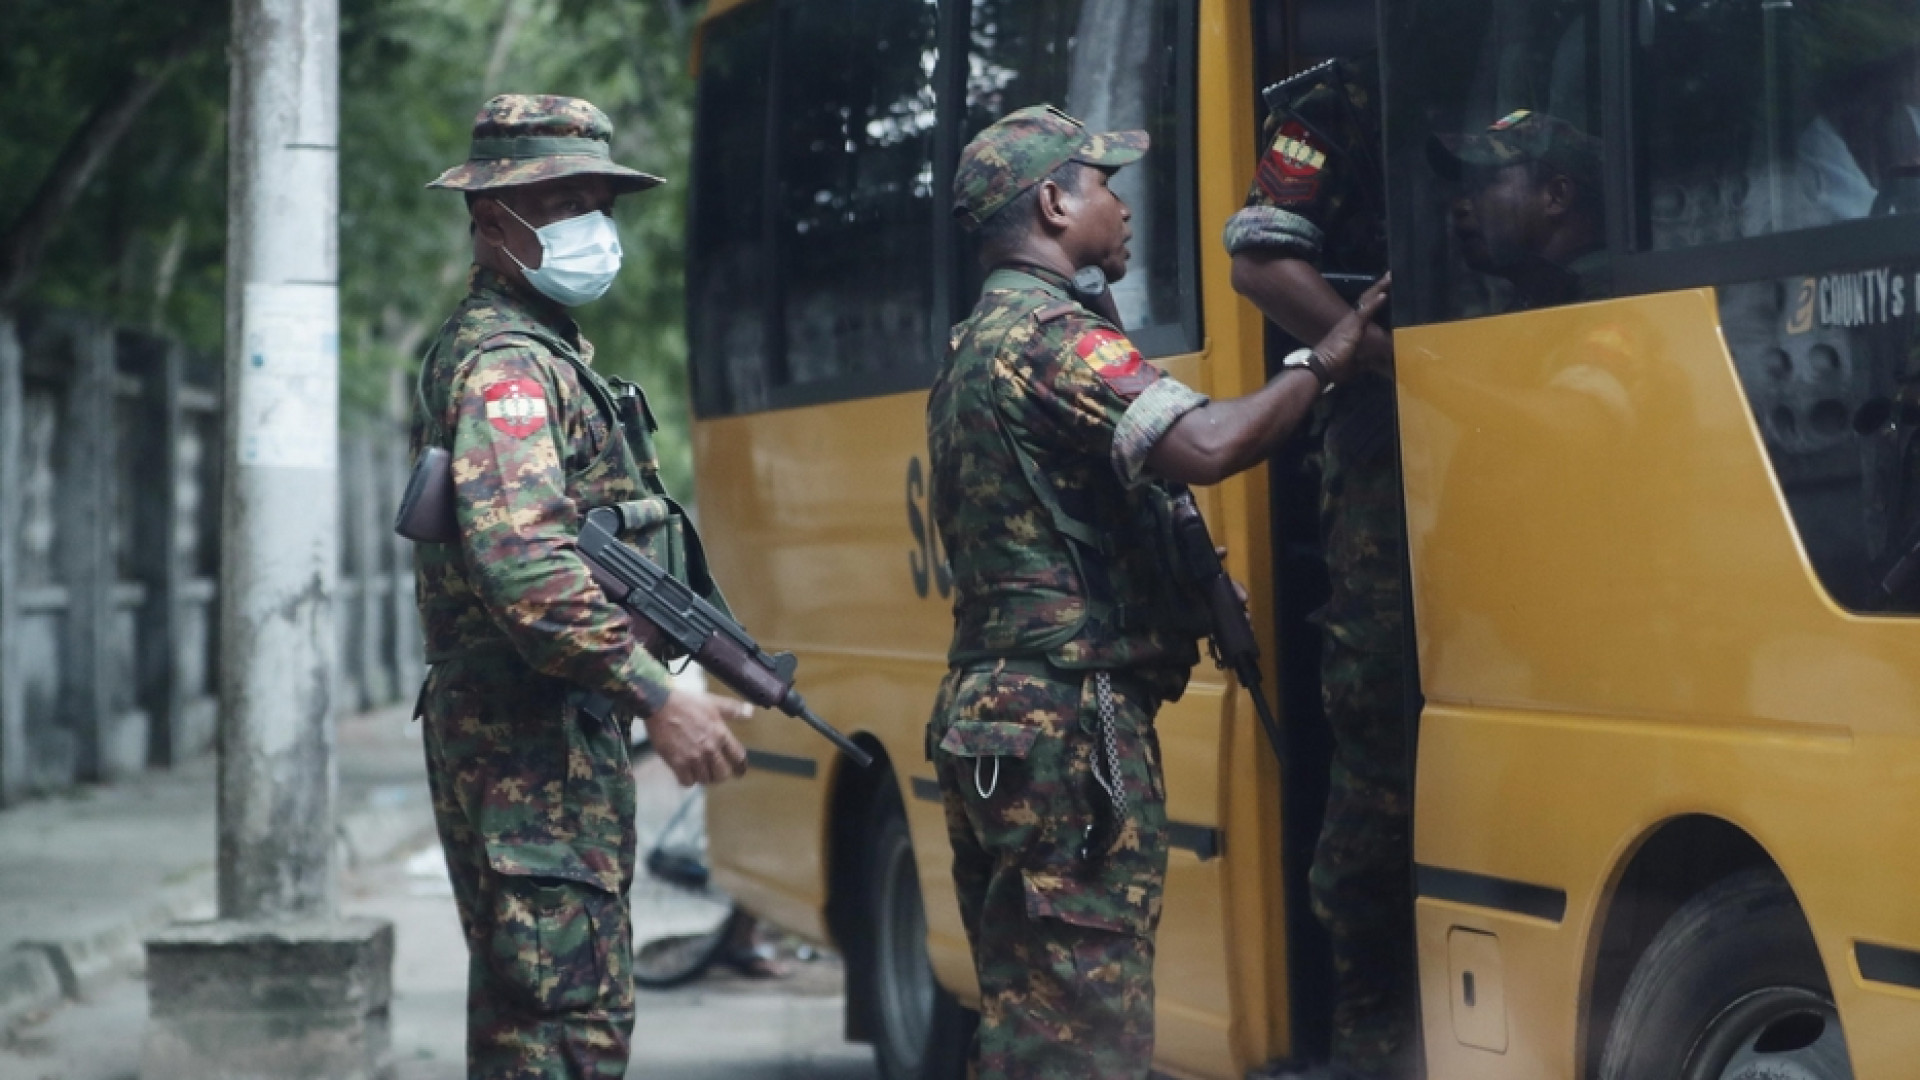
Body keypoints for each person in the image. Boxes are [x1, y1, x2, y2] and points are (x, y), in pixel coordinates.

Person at [926, 103, 1388, 1080]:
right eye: (1106, 183)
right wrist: (1321, 360)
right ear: (1053, 203)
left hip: (990, 717)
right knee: (1086, 1033)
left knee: (1027, 1015)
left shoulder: (974, 343)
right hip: (1063, 727)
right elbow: (1210, 445)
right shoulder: (1055, 337)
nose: (1126, 206)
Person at [412, 94, 750, 1079]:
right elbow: (524, 564)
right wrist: (655, 692)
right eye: (559, 202)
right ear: (489, 218)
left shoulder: (544, 352)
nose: (589, 227)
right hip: (526, 744)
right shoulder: (508, 366)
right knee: (561, 1033)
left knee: (549, 1021)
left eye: (597, 200)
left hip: (535, 736)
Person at [1221, 56, 1419, 1080]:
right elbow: (1256, 265)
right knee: (1381, 741)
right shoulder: (1336, 99)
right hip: (1388, 449)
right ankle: (1373, 1049)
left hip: (1517, 416)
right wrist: (1386, 357)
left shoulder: (1522, 55)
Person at [1429, 109, 1608, 311]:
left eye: (1484, 182)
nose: (1459, 206)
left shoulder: (1604, 301)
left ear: (1556, 195)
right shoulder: (1545, 299)